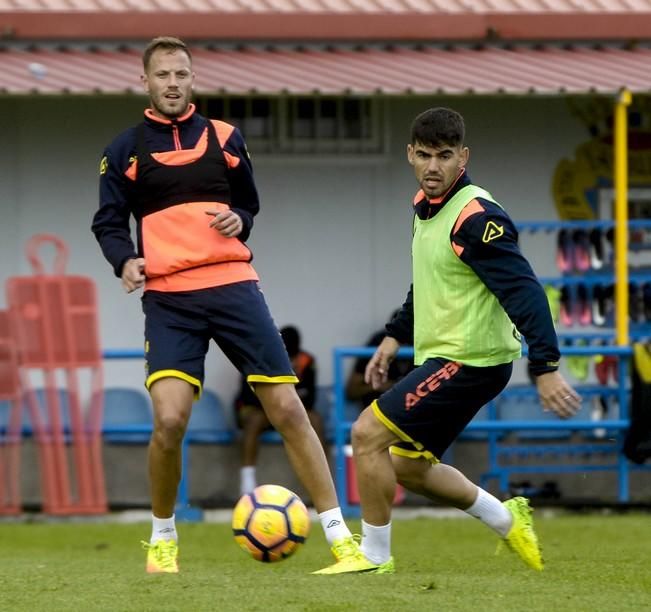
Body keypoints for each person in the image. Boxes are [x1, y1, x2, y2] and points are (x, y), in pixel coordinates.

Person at [91, 36, 354, 575]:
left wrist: (243, 221)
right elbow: (108, 222)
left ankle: (340, 538)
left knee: (286, 409)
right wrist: (125, 261)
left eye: (181, 74)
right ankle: (163, 537)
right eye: (162, 74)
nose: (172, 82)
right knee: (169, 420)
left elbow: (247, 203)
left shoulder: (227, 138)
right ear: (145, 81)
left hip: (234, 286)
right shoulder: (123, 151)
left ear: (193, 79)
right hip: (169, 299)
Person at [314, 107, 581, 575]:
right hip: (451, 358)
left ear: (463, 157)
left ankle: (373, 558)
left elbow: (524, 292)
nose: (433, 166)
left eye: (444, 155)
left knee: (366, 435)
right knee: (409, 465)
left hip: (471, 360)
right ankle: (507, 518)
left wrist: (546, 366)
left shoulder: (477, 217)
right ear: (409, 156)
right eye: (424, 155)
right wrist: (394, 337)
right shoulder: (425, 209)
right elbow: (429, 281)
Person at [236, 325, 326, 496]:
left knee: (316, 419)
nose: (291, 359)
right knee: (254, 419)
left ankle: (321, 481)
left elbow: (311, 398)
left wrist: (293, 386)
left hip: (287, 411)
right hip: (258, 409)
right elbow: (247, 396)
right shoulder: (258, 355)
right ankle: (247, 481)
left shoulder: (307, 361)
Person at [346, 311, 414, 411]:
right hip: (378, 410)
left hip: (411, 411)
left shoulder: (422, 345)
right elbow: (352, 391)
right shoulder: (378, 343)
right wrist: (378, 386)